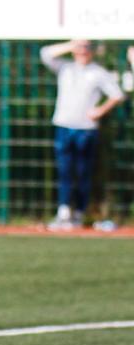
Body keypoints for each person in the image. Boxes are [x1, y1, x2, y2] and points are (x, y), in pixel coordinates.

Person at [40, 40, 124, 230]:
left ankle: (78, 213)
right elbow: (45, 53)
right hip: (63, 125)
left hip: (86, 128)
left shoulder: (98, 72)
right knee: (64, 171)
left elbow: (117, 95)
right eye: (80, 49)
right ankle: (63, 213)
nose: (82, 52)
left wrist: (100, 111)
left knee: (82, 172)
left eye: (86, 49)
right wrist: (73, 44)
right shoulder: (66, 68)